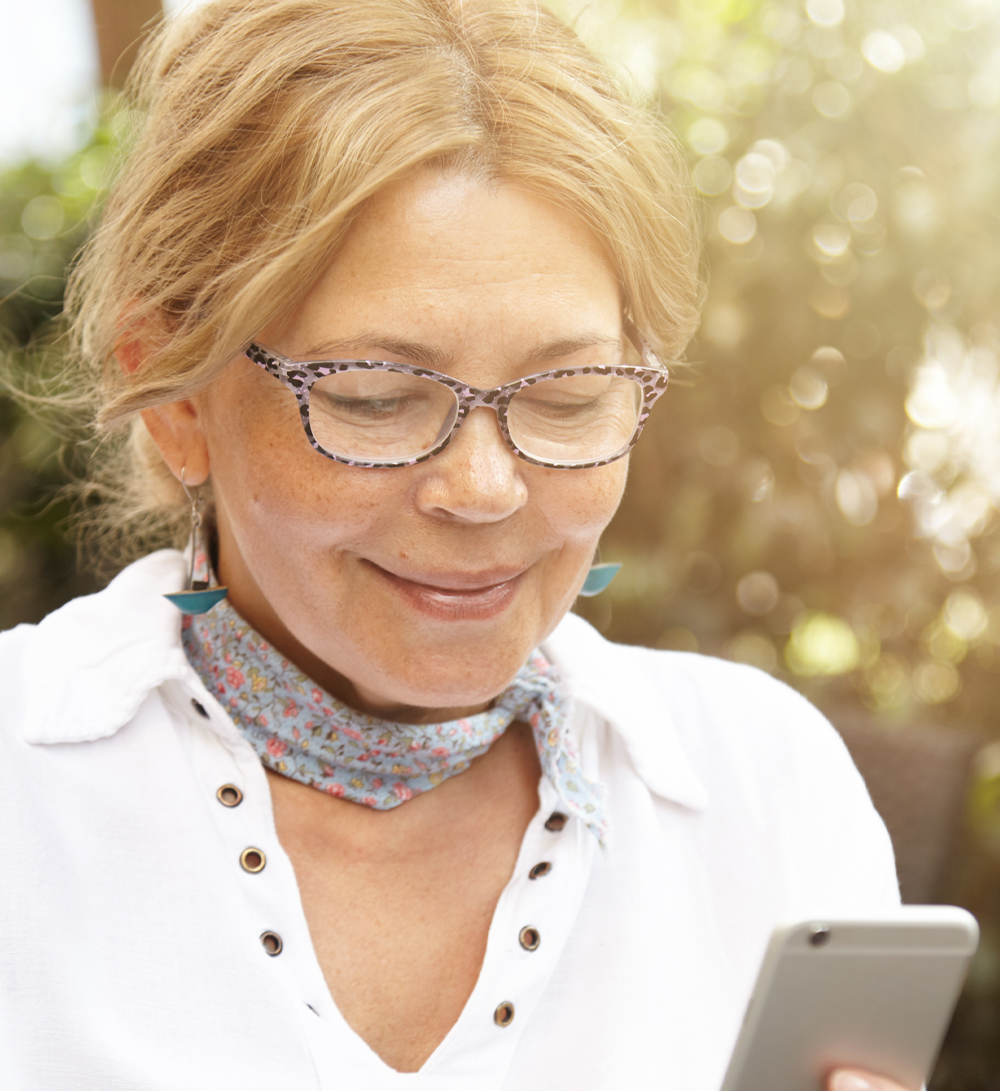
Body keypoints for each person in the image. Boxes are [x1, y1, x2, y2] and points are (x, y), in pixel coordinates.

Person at [0, 1, 906, 1088]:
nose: (484, 488)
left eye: (569, 398)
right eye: (376, 398)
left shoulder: (762, 786)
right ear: (179, 397)